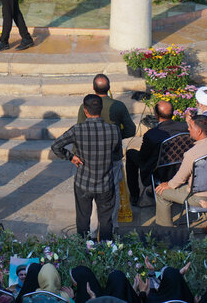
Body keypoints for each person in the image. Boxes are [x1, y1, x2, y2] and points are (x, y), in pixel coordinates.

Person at [51, 94, 121, 241]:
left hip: (83, 183)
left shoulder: (77, 129)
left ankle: (84, 249)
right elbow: (116, 153)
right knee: (106, 220)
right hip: (105, 183)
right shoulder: (114, 130)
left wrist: (71, 157)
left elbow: (56, 146)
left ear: (85, 111)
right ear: (101, 109)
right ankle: (106, 251)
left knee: (83, 220)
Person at [77, 74, 136, 229]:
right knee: (112, 192)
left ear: (93, 88)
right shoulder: (118, 106)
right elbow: (131, 130)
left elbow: (79, 132)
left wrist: (76, 155)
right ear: (109, 88)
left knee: (88, 192)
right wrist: (114, 138)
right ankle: (111, 226)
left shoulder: (85, 106)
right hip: (112, 156)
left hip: (89, 157)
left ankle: (91, 229)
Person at [155, 114, 207, 228]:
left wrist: (168, 184)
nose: (188, 129)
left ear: (199, 132)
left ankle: (166, 229)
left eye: (190, 127)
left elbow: (180, 179)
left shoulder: (192, 154)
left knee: (161, 193)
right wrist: (191, 122)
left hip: (198, 197)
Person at [125, 100, 187, 206]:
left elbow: (143, 157)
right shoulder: (185, 127)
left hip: (160, 169)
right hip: (181, 166)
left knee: (131, 153)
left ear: (156, 115)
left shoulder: (152, 134)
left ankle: (134, 195)